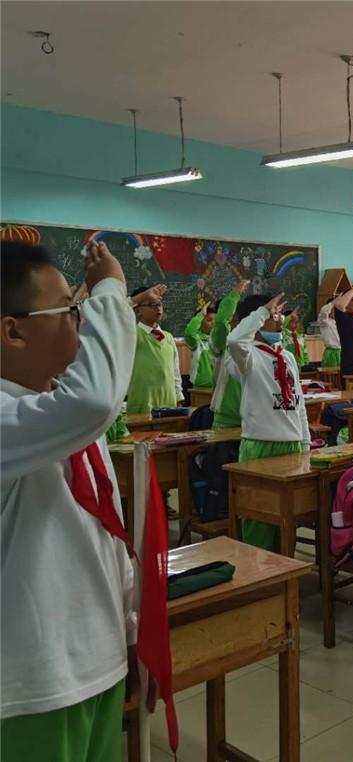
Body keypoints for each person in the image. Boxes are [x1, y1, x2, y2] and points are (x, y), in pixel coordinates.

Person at [1, 240, 137, 759]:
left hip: (100, 660)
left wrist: (129, 632)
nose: (81, 321)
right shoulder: (38, 416)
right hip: (34, 686)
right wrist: (110, 291)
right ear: (13, 331)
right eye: (69, 310)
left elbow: (107, 532)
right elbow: (96, 399)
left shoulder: (66, 415)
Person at [227, 292, 311, 551]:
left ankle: (286, 573)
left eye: (279, 314)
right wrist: (262, 312)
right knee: (259, 521)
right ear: (255, 319)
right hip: (260, 446)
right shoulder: (247, 356)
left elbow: (299, 404)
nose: (279, 320)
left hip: (291, 446)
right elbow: (234, 339)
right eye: (273, 315)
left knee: (287, 523)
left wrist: (305, 443)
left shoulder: (287, 357)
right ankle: (258, 574)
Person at [126, 283, 183, 413]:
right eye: (152, 305)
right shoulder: (131, 335)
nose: (158, 308)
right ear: (138, 310)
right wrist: (138, 298)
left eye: (159, 304)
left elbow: (175, 372)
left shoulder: (168, 337)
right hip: (142, 403)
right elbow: (116, 313)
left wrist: (179, 397)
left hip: (169, 403)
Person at [209, 279, 248, 429]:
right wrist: (234, 296)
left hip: (254, 418)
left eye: (239, 320)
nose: (236, 324)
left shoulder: (255, 344)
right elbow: (220, 323)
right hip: (227, 418)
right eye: (233, 320)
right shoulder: (222, 342)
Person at [183, 301, 216, 388]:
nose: (213, 323)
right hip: (201, 387)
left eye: (215, 320)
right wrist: (200, 315)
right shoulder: (197, 341)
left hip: (220, 386)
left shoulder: (219, 340)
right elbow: (189, 333)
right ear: (200, 323)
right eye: (209, 320)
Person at [317, 296, 342, 370]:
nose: (336, 311)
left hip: (342, 352)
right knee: (331, 374)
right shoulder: (325, 322)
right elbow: (324, 311)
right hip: (331, 354)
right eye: (333, 309)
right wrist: (333, 302)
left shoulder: (341, 322)